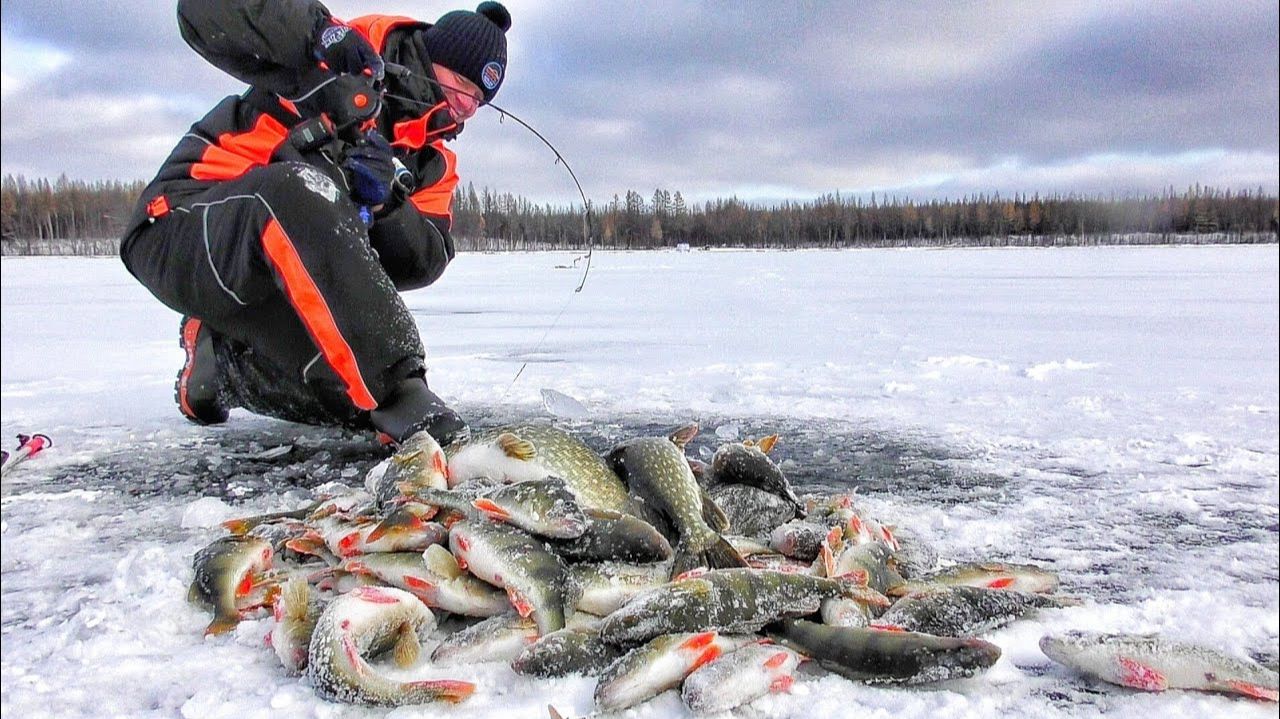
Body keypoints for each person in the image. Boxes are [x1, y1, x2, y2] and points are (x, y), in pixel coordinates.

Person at [120, 1, 513, 448]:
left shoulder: (432, 161)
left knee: (351, 395)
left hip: (273, 281)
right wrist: (319, 34)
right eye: (462, 83)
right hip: (181, 226)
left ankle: (222, 366)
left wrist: (386, 203)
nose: (466, 106)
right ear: (428, 58)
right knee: (302, 189)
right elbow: (203, 12)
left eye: (480, 101)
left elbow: (423, 258)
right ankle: (398, 389)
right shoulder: (338, 60)